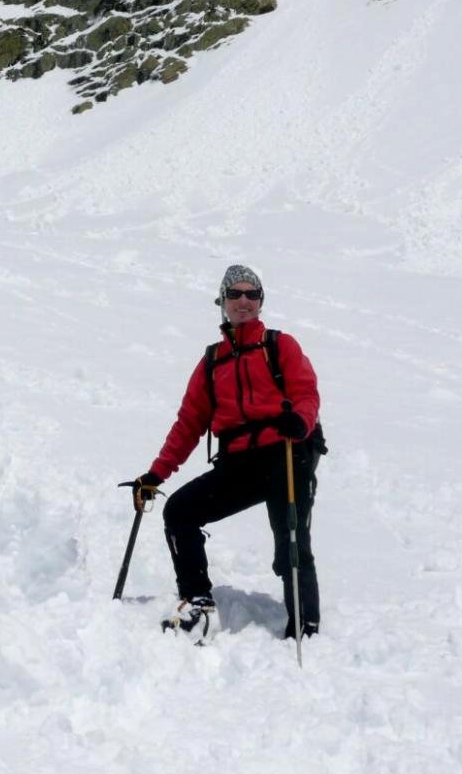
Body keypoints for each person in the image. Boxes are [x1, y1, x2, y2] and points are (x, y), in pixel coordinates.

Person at [128, 264, 322, 641]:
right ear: (223, 303)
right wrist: (156, 474)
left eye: (252, 294)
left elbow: (306, 393)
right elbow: (189, 424)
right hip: (240, 464)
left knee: (291, 541)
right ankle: (197, 602)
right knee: (180, 510)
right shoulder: (212, 361)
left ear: (261, 301)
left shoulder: (280, 346)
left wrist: (300, 420)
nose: (244, 301)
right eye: (235, 294)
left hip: (286, 453)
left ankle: (305, 625)